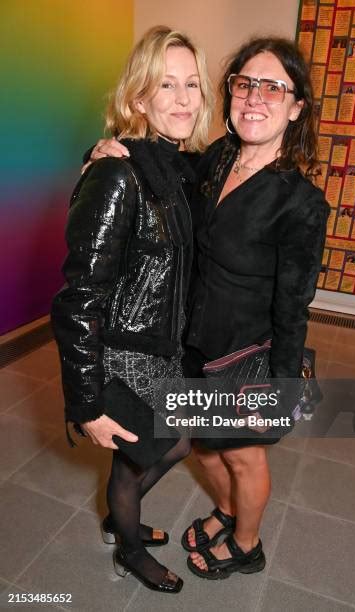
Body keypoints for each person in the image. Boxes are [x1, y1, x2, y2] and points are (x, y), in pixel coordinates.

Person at [89, 35, 329, 580]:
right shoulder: (215, 160)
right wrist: (101, 152)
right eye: (245, 84)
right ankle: (225, 511)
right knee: (202, 448)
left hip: (246, 358)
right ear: (230, 94)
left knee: (244, 456)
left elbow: (293, 305)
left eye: (273, 88)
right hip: (190, 347)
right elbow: (149, 167)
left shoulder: (301, 202)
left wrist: (283, 386)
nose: (255, 97)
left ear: (295, 108)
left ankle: (247, 544)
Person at [51, 25, 213, 594]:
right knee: (132, 462)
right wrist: (87, 404)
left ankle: (119, 521)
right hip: (124, 355)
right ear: (139, 97)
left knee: (177, 442)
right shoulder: (119, 172)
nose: (184, 99)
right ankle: (129, 548)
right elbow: (77, 299)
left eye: (192, 84)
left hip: (162, 349)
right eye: (166, 85)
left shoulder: (180, 167)